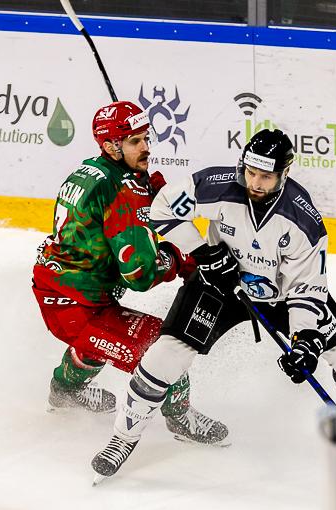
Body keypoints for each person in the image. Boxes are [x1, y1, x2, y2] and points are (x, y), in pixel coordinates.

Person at [91, 128, 336, 481]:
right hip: (218, 285)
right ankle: (123, 438)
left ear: (284, 174)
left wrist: (305, 340)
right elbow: (162, 208)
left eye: (266, 176)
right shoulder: (218, 186)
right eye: (251, 172)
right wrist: (204, 252)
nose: (256, 183)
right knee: (165, 356)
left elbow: (307, 287)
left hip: (280, 294)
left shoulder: (302, 219)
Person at [32, 100, 228, 446]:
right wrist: (180, 258)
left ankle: (64, 391)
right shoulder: (124, 192)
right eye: (135, 141)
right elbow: (139, 275)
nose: (146, 147)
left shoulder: (91, 170)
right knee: (164, 347)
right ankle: (179, 417)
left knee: (102, 336)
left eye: (146, 138)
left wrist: (146, 191)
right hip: (77, 305)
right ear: (111, 146)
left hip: (60, 291)